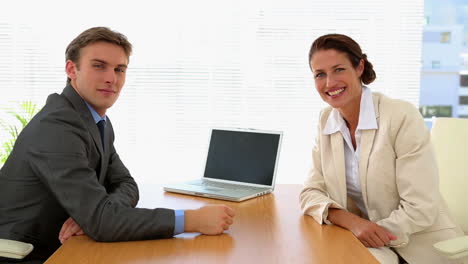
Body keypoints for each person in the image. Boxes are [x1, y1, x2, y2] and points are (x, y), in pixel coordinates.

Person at [0, 27, 234, 263]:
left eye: (119, 69)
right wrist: (192, 220)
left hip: (66, 247)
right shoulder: (57, 126)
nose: (111, 78)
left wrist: (95, 213)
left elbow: (126, 184)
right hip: (25, 255)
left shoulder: (94, 120)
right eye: (99, 66)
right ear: (72, 69)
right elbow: (104, 224)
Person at [300, 33, 463, 264]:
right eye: (320, 74)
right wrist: (352, 222)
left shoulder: (400, 116)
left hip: (422, 247)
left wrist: (367, 232)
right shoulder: (326, 120)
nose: (329, 83)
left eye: (339, 69)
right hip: (370, 245)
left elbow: (420, 208)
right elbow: (310, 192)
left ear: (359, 67)